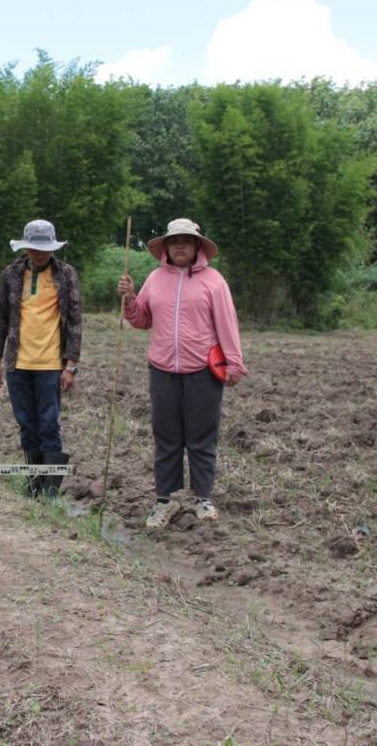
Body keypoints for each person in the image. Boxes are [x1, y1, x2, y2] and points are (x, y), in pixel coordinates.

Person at [116, 218, 246, 527]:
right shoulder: (155, 279)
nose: (180, 246)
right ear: (166, 247)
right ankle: (165, 500)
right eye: (174, 241)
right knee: (167, 438)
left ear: (197, 246)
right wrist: (131, 298)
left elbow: (227, 324)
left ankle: (203, 498)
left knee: (201, 438)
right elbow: (141, 319)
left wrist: (235, 363)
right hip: (162, 370)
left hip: (203, 371)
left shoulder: (214, 282)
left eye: (186, 241)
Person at [0, 220, 83, 498]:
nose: (40, 254)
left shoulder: (66, 275)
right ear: (26, 247)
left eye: (45, 249)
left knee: (49, 424)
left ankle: (50, 491)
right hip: (18, 363)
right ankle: (33, 485)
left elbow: (75, 322)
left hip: (51, 365)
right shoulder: (11, 274)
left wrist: (71, 366)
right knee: (27, 424)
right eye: (35, 249)